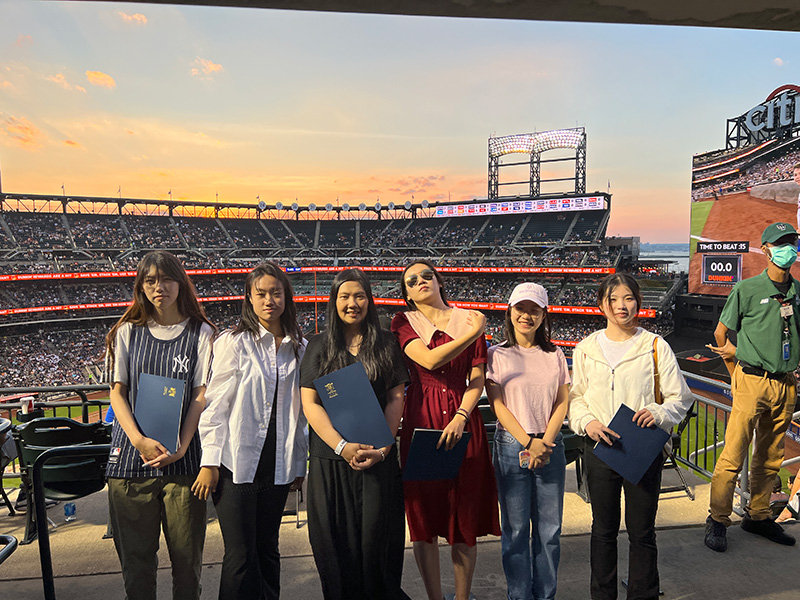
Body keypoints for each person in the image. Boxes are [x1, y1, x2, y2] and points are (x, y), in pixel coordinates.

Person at [568, 273, 693, 600]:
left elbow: (680, 398)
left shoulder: (655, 345)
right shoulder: (586, 348)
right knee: (603, 532)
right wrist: (588, 422)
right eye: (613, 299)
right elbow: (576, 397)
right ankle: (603, 595)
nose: (621, 306)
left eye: (628, 298)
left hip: (641, 448)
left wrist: (658, 412)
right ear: (601, 305)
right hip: (600, 448)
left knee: (642, 533)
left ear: (638, 302)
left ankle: (643, 594)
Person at [192, 262, 307, 599]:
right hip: (235, 466)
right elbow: (215, 405)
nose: (269, 299)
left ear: (286, 297)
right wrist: (210, 462)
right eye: (261, 294)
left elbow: (299, 415)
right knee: (240, 557)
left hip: (278, 465)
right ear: (250, 299)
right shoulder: (234, 342)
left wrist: (298, 465)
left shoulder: (299, 347)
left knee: (268, 550)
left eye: (276, 292)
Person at [104, 250, 215, 600]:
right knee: (136, 567)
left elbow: (200, 396)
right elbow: (117, 394)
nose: (159, 287)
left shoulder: (202, 333)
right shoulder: (126, 332)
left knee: (187, 563)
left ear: (180, 283)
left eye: (166, 278)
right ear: (141, 286)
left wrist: (181, 446)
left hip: (183, 463)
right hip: (130, 461)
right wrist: (138, 440)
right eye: (150, 280)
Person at [391, 260, 500, 600]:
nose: (421, 281)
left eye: (427, 275)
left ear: (438, 281)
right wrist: (472, 334)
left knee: (463, 517)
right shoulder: (404, 321)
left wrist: (462, 415)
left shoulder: (467, 316)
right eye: (412, 280)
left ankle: (462, 598)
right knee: (423, 520)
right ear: (407, 294)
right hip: (421, 421)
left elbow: (477, 378)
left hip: (463, 421)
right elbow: (428, 361)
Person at [299, 268, 410, 600]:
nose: (352, 303)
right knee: (336, 548)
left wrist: (385, 448)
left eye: (359, 296)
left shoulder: (386, 343)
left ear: (369, 300)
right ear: (334, 301)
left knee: (379, 545)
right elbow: (310, 403)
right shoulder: (319, 345)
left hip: (379, 460)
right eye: (344, 296)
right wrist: (342, 445)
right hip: (331, 461)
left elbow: (396, 397)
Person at [704, 222, 800, 552]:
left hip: (785, 382)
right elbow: (720, 335)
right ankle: (717, 519)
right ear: (766, 249)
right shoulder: (747, 289)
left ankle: (758, 516)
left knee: (770, 457)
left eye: (793, 242)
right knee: (733, 454)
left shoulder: (797, 291)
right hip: (751, 379)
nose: (788, 248)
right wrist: (735, 372)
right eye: (781, 243)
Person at [485, 282, 570, 600]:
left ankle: (545, 595)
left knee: (550, 532)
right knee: (516, 531)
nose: (527, 315)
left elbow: (562, 401)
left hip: (550, 446)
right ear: (510, 311)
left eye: (535, 310)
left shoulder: (555, 354)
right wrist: (528, 442)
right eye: (521, 308)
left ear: (543, 316)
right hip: (512, 446)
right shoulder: (497, 355)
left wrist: (544, 442)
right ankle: (519, 596)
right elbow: (497, 405)